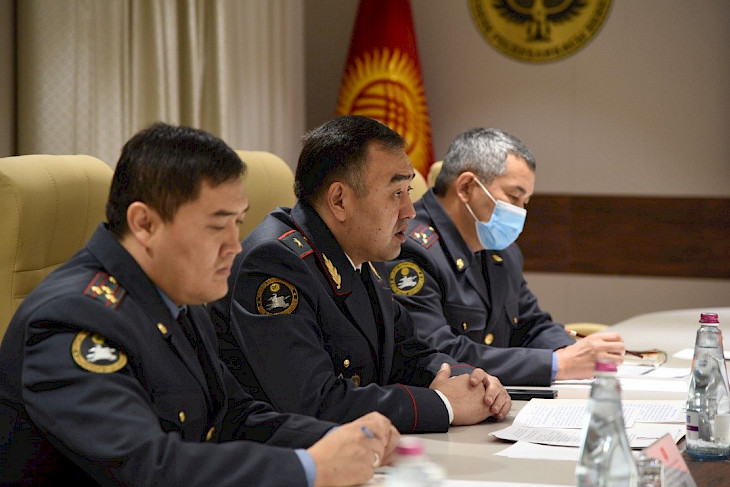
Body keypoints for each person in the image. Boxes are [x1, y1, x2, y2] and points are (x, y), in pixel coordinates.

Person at [0, 122, 399, 487]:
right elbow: (147, 467)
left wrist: (342, 438)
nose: (234, 246)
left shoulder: (177, 298)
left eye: (237, 224)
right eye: (216, 226)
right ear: (144, 224)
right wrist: (308, 468)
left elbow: (233, 417)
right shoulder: (73, 318)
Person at [211, 115, 511, 435]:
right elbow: (314, 402)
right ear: (339, 200)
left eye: (408, 191)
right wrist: (443, 405)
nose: (410, 210)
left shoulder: (355, 252)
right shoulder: (275, 264)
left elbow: (409, 354)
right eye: (396, 193)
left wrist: (474, 381)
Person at [384, 128, 626, 386]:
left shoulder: (499, 246)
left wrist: (573, 351)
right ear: (466, 187)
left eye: (525, 201)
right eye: (514, 197)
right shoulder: (409, 248)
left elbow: (531, 323)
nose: (520, 212)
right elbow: (436, 353)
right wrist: (557, 364)